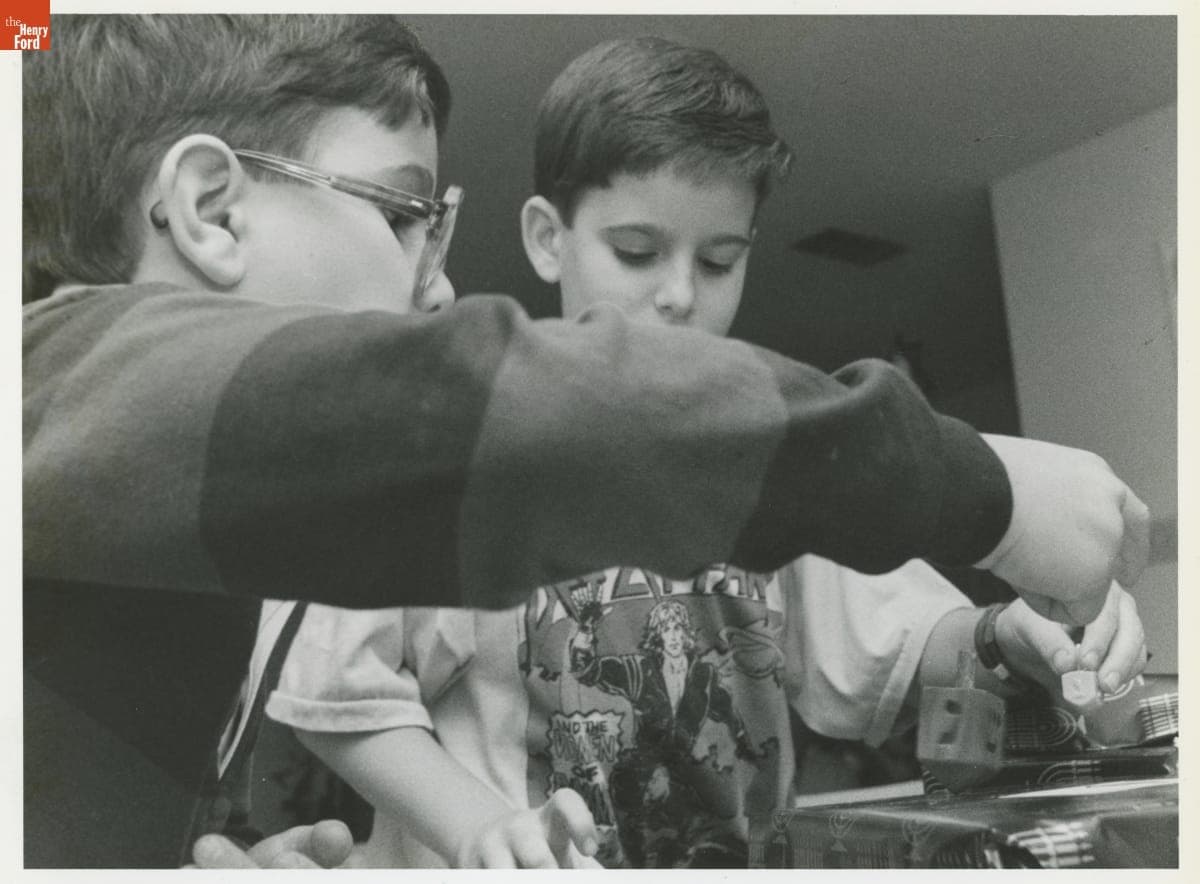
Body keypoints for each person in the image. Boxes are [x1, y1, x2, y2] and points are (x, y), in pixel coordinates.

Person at [265, 37, 1149, 869]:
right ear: (546, 237)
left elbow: (897, 650)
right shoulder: (462, 441)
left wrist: (1007, 638)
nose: (680, 297)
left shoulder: (776, 445)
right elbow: (338, 697)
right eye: (637, 252)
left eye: (720, 261)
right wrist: (484, 831)